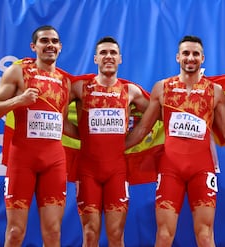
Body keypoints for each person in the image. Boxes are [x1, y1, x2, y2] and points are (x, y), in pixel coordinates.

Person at [125, 35, 225, 247]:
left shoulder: (215, 91)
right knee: (164, 235)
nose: (190, 58)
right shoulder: (162, 88)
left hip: (202, 170)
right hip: (170, 170)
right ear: (178, 57)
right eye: (186, 53)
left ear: (203, 58)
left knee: (205, 235)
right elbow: (142, 129)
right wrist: (115, 150)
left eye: (195, 53)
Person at [0, 25, 70, 247]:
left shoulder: (65, 82)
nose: (50, 45)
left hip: (54, 161)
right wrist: (18, 101)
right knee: (14, 232)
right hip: (22, 160)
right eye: (44, 41)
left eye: (54, 41)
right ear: (34, 46)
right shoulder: (18, 72)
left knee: (53, 232)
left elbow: (63, 123)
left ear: (60, 47)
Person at [65, 36, 149, 247]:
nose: (108, 57)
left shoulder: (131, 92)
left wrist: (133, 138)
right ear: (95, 59)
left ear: (120, 59)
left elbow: (157, 115)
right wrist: (82, 136)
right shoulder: (80, 88)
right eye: (103, 53)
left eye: (113, 53)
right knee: (90, 233)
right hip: (87, 171)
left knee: (116, 234)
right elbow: (55, 114)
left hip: (117, 171)